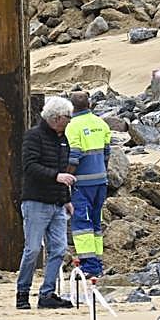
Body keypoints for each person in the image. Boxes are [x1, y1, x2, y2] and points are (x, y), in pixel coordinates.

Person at [15, 96, 76, 310]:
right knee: (32, 250)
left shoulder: (64, 139)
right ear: (57, 117)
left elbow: (63, 170)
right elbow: (30, 166)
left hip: (57, 203)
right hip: (35, 202)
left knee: (58, 249)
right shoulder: (33, 136)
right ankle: (22, 293)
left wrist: (66, 199)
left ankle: (47, 293)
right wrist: (56, 177)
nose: (70, 120)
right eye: (68, 117)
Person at [66, 91, 111, 278]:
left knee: (82, 224)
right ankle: (97, 261)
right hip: (100, 182)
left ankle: (89, 265)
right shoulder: (101, 123)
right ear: (90, 104)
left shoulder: (72, 126)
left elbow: (74, 156)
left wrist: (66, 177)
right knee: (95, 222)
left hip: (82, 184)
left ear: (71, 106)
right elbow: (107, 153)